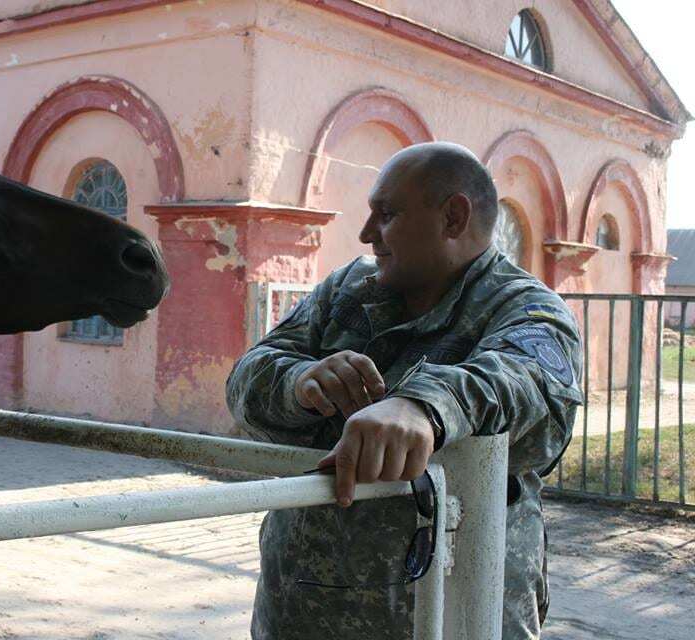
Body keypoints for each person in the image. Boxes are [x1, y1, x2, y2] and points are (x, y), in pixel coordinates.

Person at [226, 142, 583, 639]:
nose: (366, 233)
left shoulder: (524, 306)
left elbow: (532, 389)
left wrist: (426, 407)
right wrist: (299, 382)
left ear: (453, 217)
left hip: (451, 614)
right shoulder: (348, 287)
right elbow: (249, 375)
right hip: (302, 608)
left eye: (386, 215)